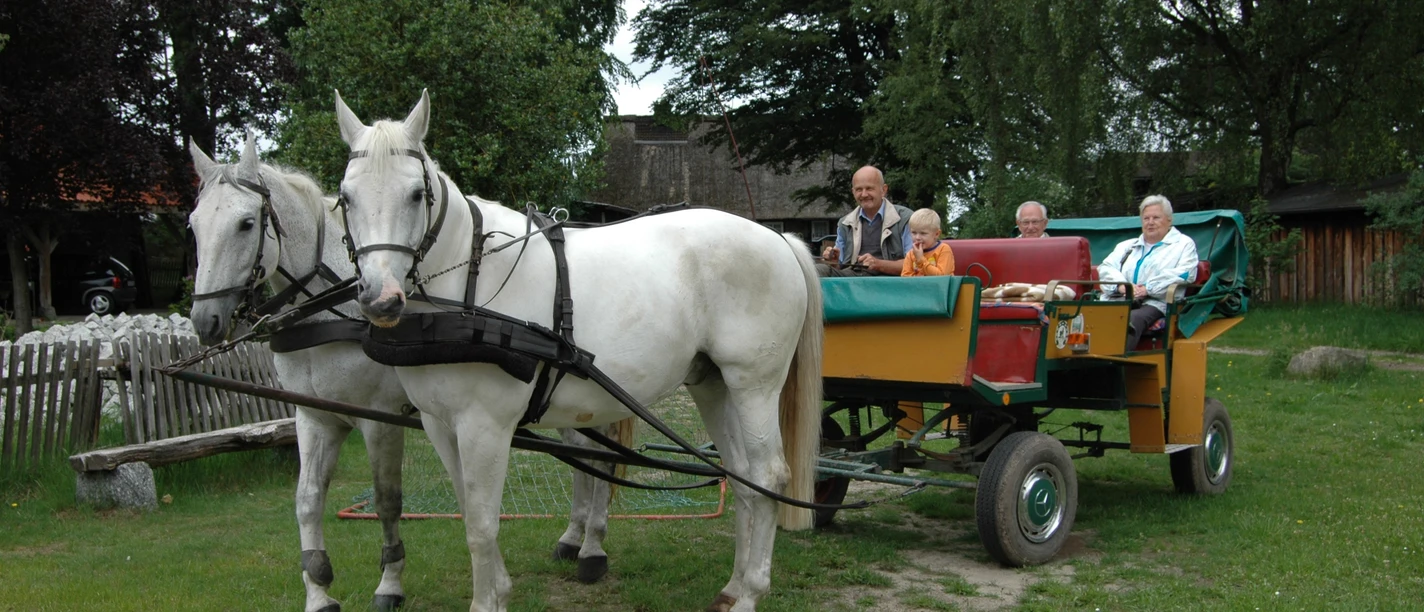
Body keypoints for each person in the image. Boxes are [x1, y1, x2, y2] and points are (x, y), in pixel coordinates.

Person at [1097, 195, 1199, 351]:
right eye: (1146, 218)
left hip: (1156, 303)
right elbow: (1106, 267)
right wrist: (1122, 286)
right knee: (1087, 314)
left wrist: (1147, 288)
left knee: (1130, 320)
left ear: (1169, 220)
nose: (1150, 222)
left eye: (1156, 217)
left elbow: (1185, 273)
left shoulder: (1183, 244)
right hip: (1121, 298)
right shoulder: (1127, 246)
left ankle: (1113, 361)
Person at [817, 166, 914, 277]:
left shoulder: (905, 218)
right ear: (853, 192)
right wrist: (834, 262)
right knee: (818, 270)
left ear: (883, 190)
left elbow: (914, 264)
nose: (864, 194)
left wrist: (878, 264)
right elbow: (840, 266)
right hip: (854, 280)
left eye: (869, 188)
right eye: (859, 189)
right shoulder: (845, 223)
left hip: (893, 282)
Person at [901, 208, 954, 277]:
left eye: (923, 233)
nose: (917, 237)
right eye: (914, 233)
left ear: (936, 234)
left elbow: (942, 277)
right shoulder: (911, 254)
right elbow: (905, 277)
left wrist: (920, 259)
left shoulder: (943, 249)